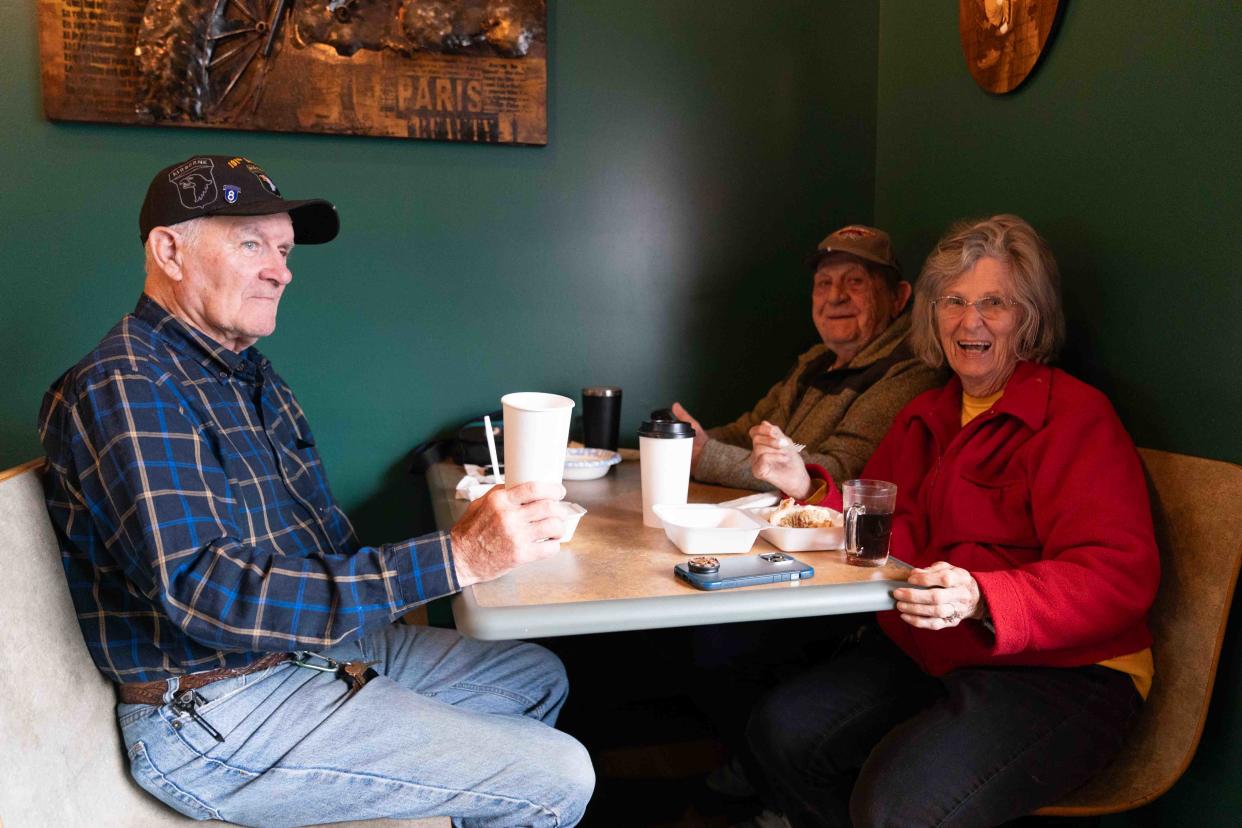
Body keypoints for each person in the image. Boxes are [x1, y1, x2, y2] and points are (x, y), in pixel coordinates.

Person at [38, 155, 594, 827]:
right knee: (558, 775)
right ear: (169, 250)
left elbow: (322, 546)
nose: (281, 269)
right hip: (217, 710)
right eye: (251, 244)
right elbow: (203, 591)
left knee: (537, 676)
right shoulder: (128, 384)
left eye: (282, 249)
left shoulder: (247, 374)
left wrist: (468, 545)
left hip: (310, 653)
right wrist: (456, 559)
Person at [742, 215, 1159, 827]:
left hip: (1068, 675)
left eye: (995, 303)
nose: (971, 322)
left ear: (1031, 317)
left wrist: (984, 596)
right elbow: (880, 525)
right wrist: (804, 486)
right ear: (931, 315)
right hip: (939, 650)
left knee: (897, 807)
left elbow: (1116, 575)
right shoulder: (925, 414)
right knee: (778, 735)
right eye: (954, 302)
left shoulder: (1075, 417)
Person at [673, 224, 943, 492]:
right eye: (824, 283)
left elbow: (843, 472)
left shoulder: (910, 368)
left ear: (898, 297)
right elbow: (749, 431)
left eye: (855, 281)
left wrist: (705, 457)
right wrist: (688, 441)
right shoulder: (816, 360)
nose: (835, 296)